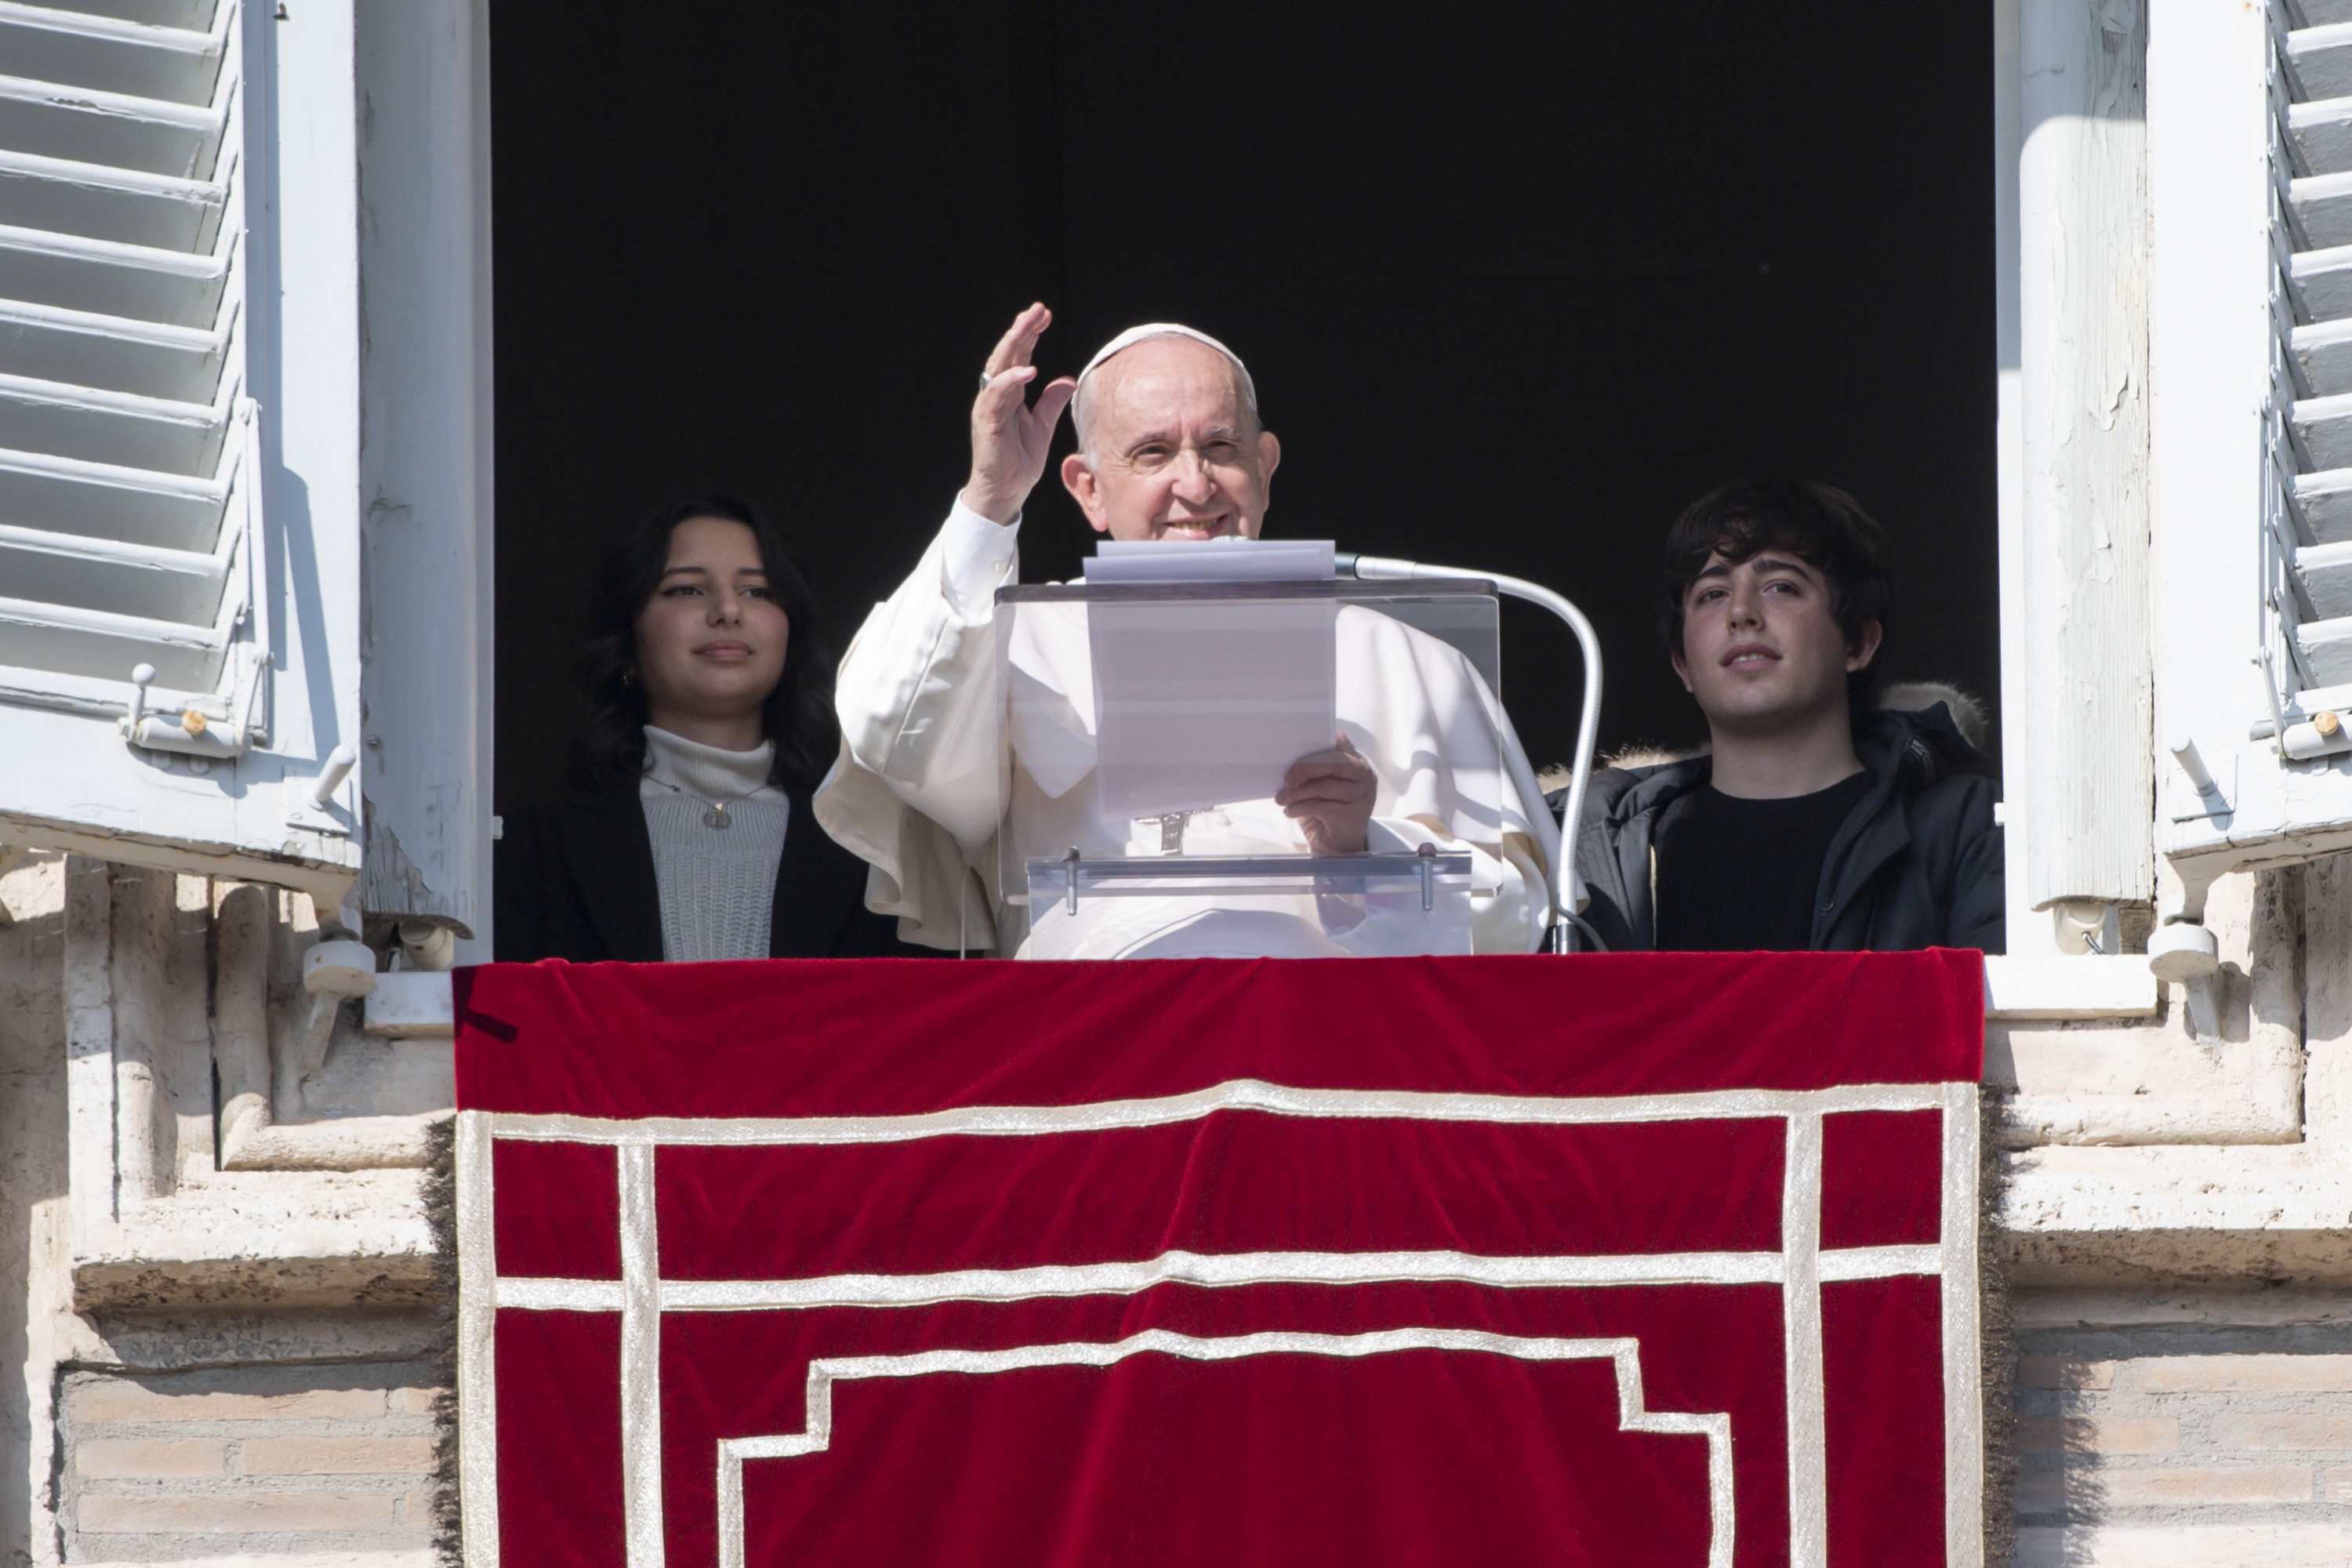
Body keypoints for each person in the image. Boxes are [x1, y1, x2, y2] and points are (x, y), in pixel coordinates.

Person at [814, 304, 1558, 957]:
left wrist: (1363, 850)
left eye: (1222, 449)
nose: (1196, 486)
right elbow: (896, 737)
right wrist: (989, 504)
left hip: (1325, 1041)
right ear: (1087, 488)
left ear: (1265, 468)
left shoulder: (1409, 660)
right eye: (1153, 453)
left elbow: (1521, 918)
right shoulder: (1017, 639)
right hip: (1097, 1045)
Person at [1561, 475, 2003, 953]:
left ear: (1857, 642)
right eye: (1712, 594)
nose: (1741, 613)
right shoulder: (1582, 849)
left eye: (1781, 587)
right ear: (1682, 664)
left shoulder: (1967, 828)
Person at [495, 495, 921, 962]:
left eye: (757, 591)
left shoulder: (871, 851)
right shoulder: (531, 853)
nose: (727, 610)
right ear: (626, 641)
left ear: (789, 635)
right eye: (686, 590)